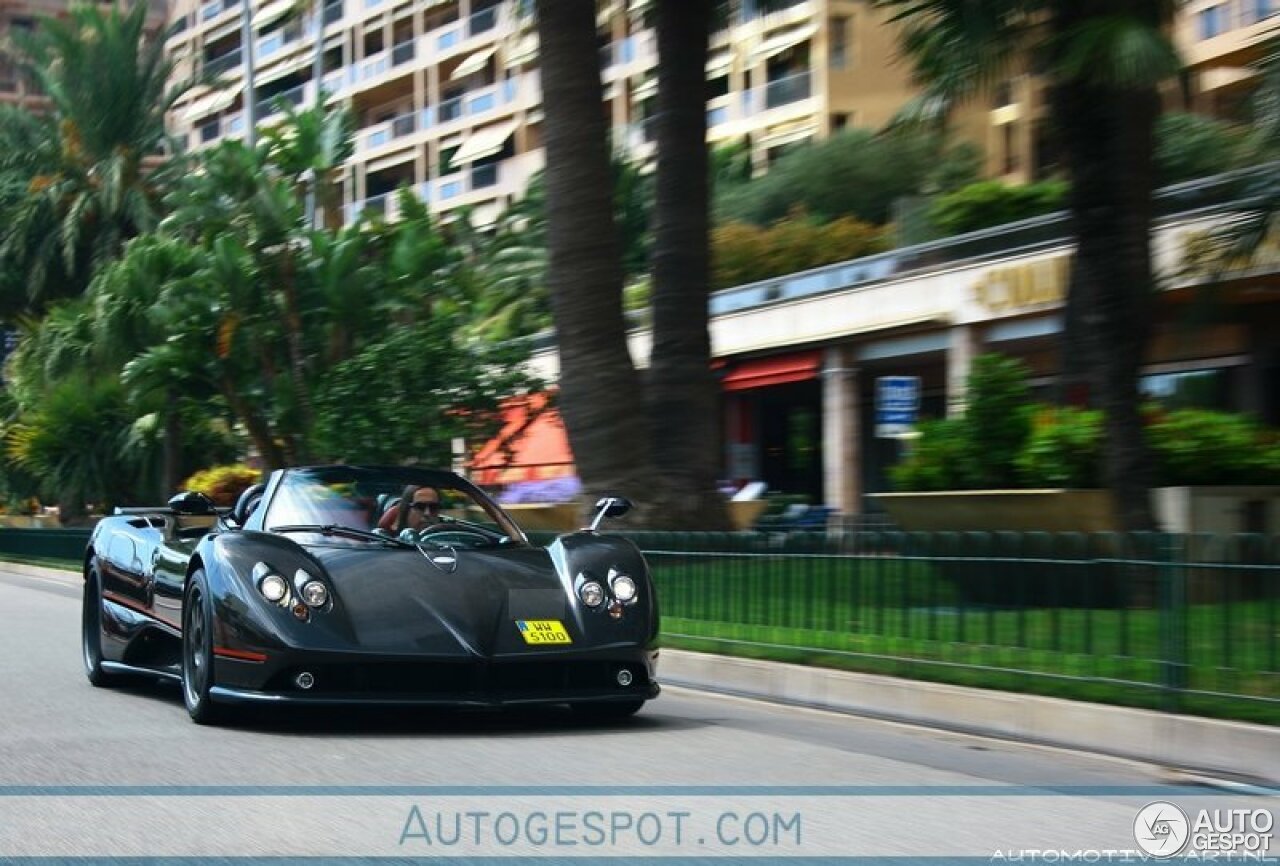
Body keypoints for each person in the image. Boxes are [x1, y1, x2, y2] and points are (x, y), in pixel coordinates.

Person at [377, 485, 444, 533]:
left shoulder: (449, 541)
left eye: (433, 507)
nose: (427, 513)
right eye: (420, 507)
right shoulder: (387, 545)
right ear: (406, 511)